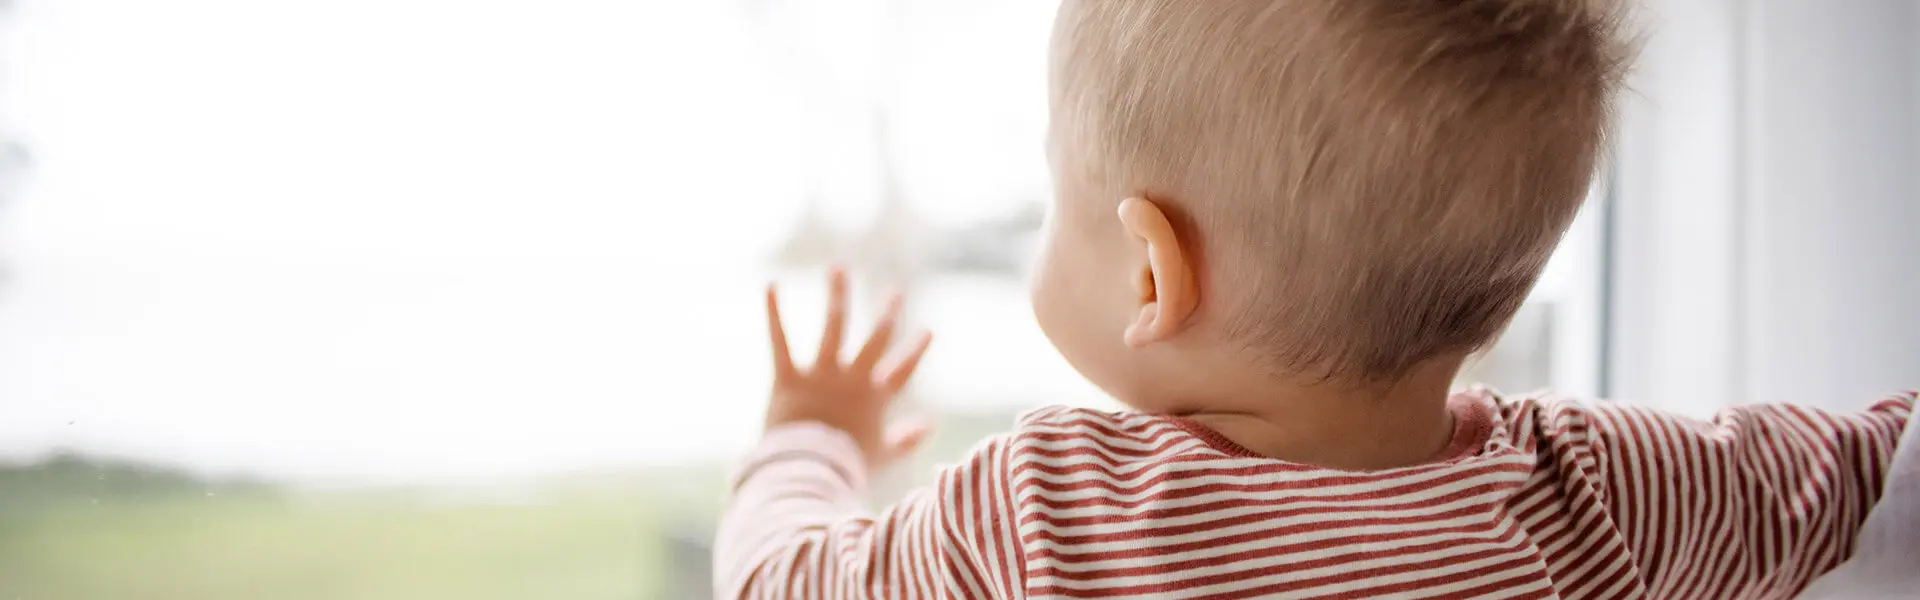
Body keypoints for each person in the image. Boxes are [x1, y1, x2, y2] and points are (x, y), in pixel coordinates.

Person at [713, 0, 1915, 597]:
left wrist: (806, 438)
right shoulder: (1595, 491)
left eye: (1053, 178)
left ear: (1151, 274)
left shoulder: (1044, 516)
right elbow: (1860, 472)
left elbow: (782, 582)